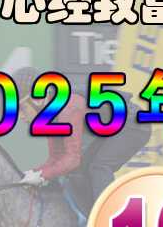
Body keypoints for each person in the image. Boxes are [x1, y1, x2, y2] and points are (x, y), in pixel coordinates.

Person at [14, 67, 151, 202]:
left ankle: (106, 213)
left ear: (37, 99)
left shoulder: (68, 108)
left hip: (134, 124)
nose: (20, 116)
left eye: (23, 108)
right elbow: (56, 157)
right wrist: (35, 173)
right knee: (80, 171)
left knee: (99, 167)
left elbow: (72, 159)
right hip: (114, 125)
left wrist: (42, 175)